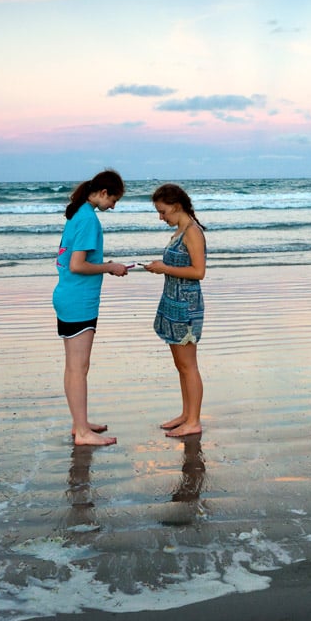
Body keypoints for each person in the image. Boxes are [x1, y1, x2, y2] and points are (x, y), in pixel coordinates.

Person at [54, 169, 128, 446]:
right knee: (78, 366)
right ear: (104, 193)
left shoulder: (80, 214)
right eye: (115, 200)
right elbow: (77, 265)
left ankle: (80, 423)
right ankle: (82, 433)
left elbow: (75, 260)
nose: (114, 206)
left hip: (71, 296)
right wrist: (110, 267)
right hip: (78, 300)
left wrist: (104, 265)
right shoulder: (88, 219)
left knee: (76, 366)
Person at [144, 184, 206, 438]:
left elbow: (198, 272)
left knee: (188, 365)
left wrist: (164, 268)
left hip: (186, 306)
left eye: (163, 212)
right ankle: (186, 414)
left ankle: (194, 420)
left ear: (176, 206)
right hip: (173, 301)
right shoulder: (181, 230)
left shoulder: (192, 231)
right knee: (181, 365)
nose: (161, 217)